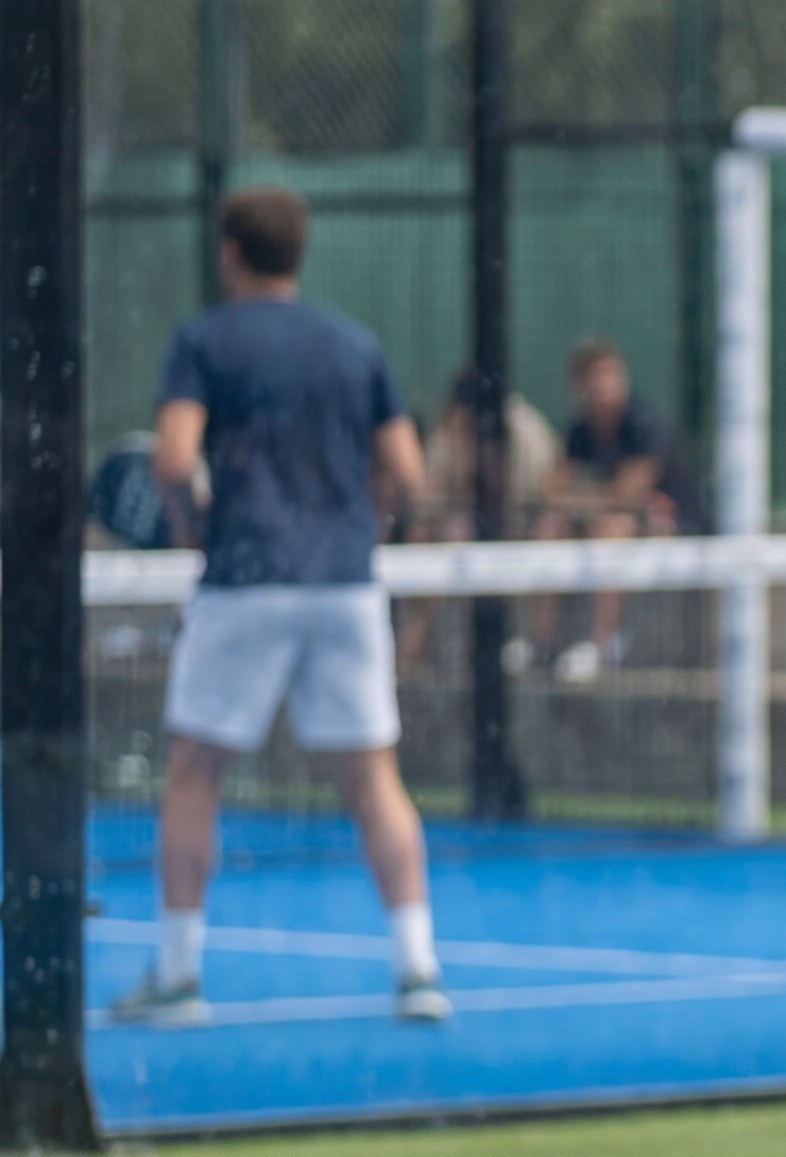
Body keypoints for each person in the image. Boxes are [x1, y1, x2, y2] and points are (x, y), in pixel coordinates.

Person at [109, 187, 450, 1029]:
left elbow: (173, 458)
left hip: (246, 580)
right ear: (298, 253)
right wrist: (357, 523)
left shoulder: (203, 340)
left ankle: (181, 981)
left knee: (194, 774)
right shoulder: (354, 344)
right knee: (375, 781)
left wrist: (194, 525)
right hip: (345, 585)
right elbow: (408, 477)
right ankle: (418, 970)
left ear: (231, 251)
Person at [536, 338, 693, 683]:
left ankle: (601, 645)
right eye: (596, 377)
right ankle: (542, 644)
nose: (606, 386)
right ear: (580, 386)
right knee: (551, 526)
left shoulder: (643, 423)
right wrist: (592, 500)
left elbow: (628, 495)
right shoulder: (580, 427)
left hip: (677, 529)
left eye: (612, 375)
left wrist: (587, 499)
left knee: (612, 528)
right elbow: (553, 489)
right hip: (611, 520)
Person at [394, 371, 556, 671]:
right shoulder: (450, 433)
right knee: (428, 534)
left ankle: (527, 643)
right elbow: (427, 497)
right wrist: (459, 453)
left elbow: (538, 495)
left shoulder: (523, 429)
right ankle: (417, 642)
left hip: (520, 527)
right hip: (464, 529)